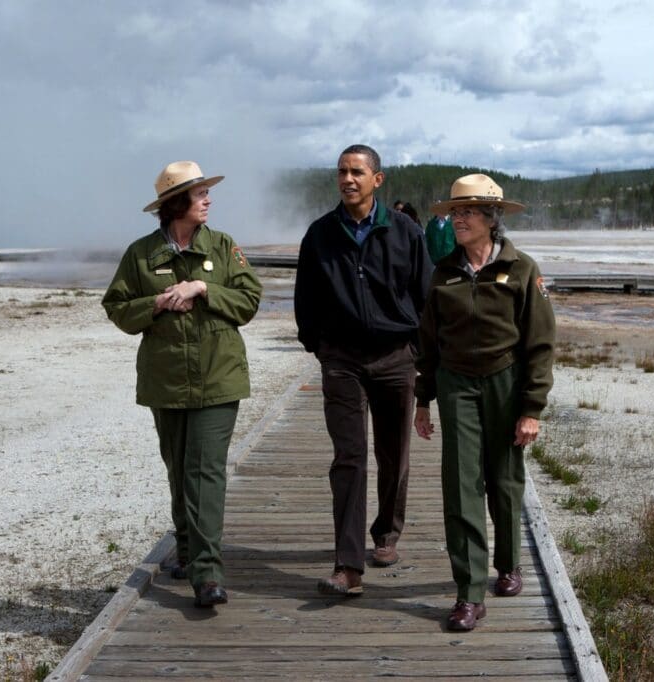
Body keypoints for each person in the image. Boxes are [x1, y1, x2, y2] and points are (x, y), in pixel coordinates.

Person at [102, 161, 262, 608]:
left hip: (218, 376)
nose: (208, 200)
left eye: (207, 193)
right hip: (166, 380)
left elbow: (249, 301)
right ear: (177, 205)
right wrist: (154, 303)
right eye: (199, 195)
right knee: (178, 468)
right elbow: (116, 307)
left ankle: (208, 574)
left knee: (205, 472)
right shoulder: (140, 254)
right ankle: (189, 550)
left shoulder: (224, 247)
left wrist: (202, 289)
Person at [412, 173, 555, 631]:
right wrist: (423, 399)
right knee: (461, 484)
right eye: (454, 212)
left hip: (506, 383)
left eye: (467, 212)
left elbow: (539, 343)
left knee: (505, 480)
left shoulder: (522, 268)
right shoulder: (444, 272)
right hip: (457, 384)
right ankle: (470, 593)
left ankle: (509, 564)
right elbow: (429, 343)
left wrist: (532, 408)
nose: (457, 220)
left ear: (492, 220)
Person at [294, 144, 432, 596]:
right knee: (349, 458)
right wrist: (323, 349)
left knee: (394, 453)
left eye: (357, 172)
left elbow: (425, 295)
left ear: (378, 179)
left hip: (395, 357)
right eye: (341, 172)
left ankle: (387, 534)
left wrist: (415, 350)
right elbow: (306, 301)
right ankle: (348, 564)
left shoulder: (406, 232)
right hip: (343, 361)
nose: (348, 179)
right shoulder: (320, 234)